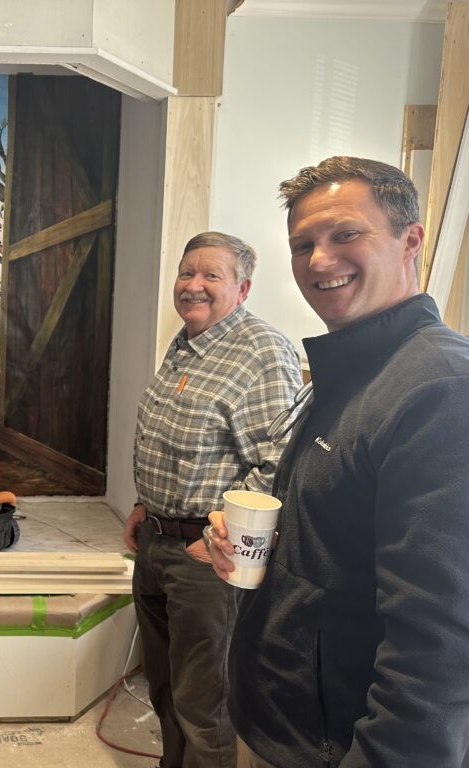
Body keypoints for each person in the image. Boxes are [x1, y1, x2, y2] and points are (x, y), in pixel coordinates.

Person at [207, 156, 469, 767]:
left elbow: (440, 644)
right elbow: (342, 535)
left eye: (345, 234)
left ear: (411, 240)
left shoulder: (441, 390)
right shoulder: (348, 370)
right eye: (303, 245)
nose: (320, 261)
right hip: (283, 725)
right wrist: (271, 547)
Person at [124, 231, 303, 768]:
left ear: (242, 288)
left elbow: (279, 460)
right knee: (164, 686)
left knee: (205, 704)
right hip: (156, 541)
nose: (193, 285)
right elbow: (167, 436)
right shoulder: (185, 342)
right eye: (187, 272)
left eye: (211, 275)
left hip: (207, 556)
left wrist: (219, 538)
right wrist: (143, 505)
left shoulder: (261, 351)